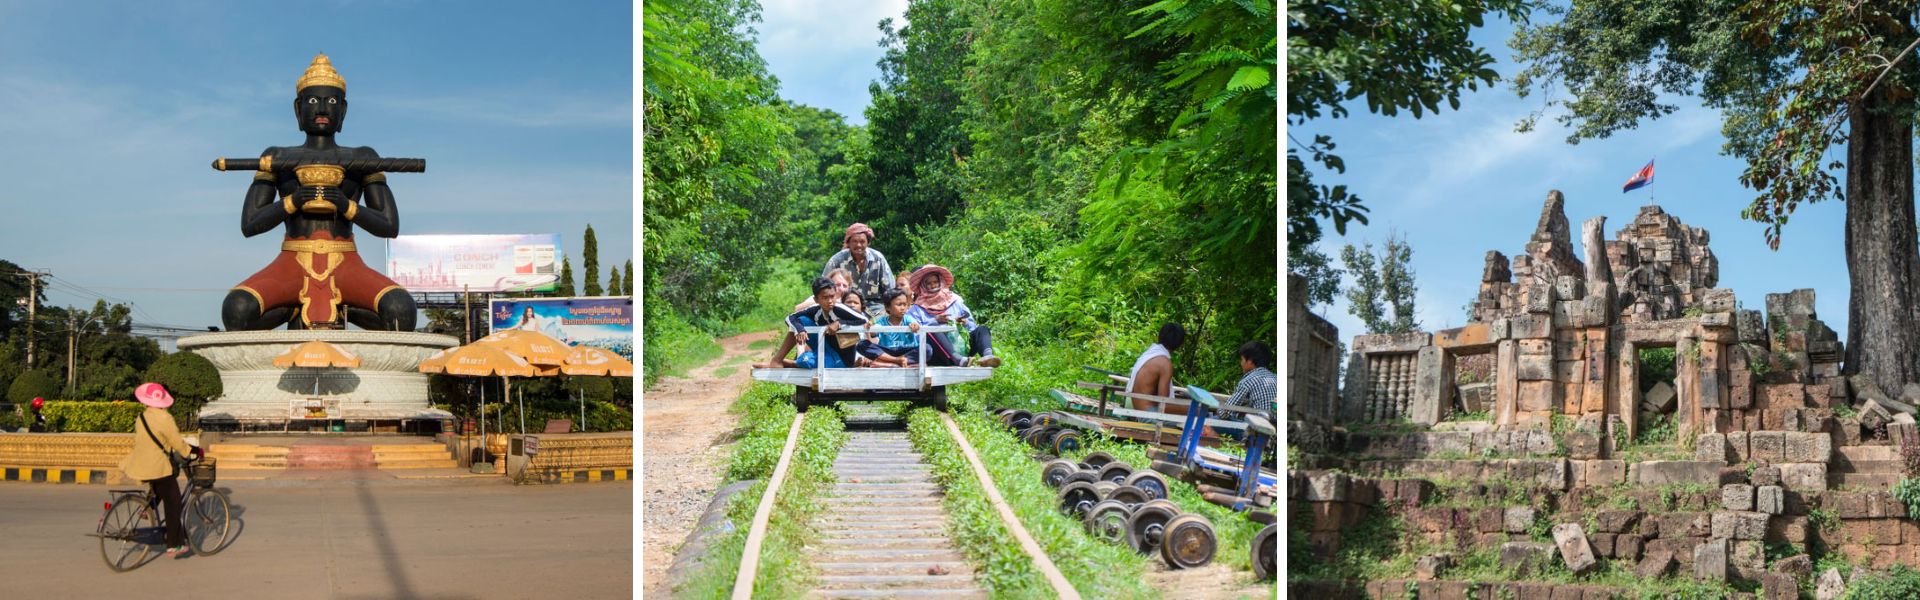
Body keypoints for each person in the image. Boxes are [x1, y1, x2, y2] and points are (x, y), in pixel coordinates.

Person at [221, 54, 417, 331]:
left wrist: (346, 205)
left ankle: (344, 309)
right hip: (291, 261)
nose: (323, 108)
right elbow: (250, 224)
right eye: (313, 102)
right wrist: (293, 201)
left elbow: (389, 226)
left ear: (344, 111)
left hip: (346, 261)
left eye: (332, 102)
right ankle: (291, 310)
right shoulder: (277, 157)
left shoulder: (362, 157)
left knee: (400, 309)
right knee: (237, 308)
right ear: (297, 110)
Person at [118, 383, 201, 559]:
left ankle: (147, 507)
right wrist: (192, 451)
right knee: (174, 503)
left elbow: (155, 439)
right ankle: (174, 544)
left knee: (160, 488)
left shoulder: (141, 417)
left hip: (140, 463)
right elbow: (177, 442)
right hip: (158, 465)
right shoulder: (165, 418)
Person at [759, 277, 869, 369]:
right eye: (825, 298)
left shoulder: (839, 308)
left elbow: (863, 320)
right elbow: (790, 317)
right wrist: (800, 329)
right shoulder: (816, 310)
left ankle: (793, 363)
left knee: (804, 361)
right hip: (824, 347)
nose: (830, 301)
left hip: (841, 358)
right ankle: (777, 360)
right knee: (802, 320)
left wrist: (839, 323)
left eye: (832, 296)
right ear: (816, 300)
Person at [907, 265, 1000, 367]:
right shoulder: (916, 309)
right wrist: (935, 321)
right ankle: (956, 358)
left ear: (940, 282)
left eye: (935, 282)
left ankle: (988, 357)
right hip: (940, 354)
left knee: (982, 329)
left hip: (963, 347)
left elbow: (972, 326)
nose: (933, 285)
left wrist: (965, 322)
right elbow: (915, 335)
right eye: (929, 283)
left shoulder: (955, 301)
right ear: (923, 286)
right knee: (933, 329)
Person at [822, 223, 893, 319]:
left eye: (862, 241)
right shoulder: (837, 260)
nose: (859, 245)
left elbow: (890, 290)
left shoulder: (878, 258)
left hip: (875, 309)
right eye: (855, 241)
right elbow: (823, 287)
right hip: (845, 306)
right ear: (848, 243)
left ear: (868, 243)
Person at [1217, 341, 1277, 441]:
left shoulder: (1248, 381)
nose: (1241, 363)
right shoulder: (1275, 378)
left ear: (1250, 361)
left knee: (1211, 421)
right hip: (1275, 432)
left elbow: (1224, 413)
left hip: (1256, 432)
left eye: (1242, 359)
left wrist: (1217, 409)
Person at [857, 289, 923, 368]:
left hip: (906, 350)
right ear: (888, 307)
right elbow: (874, 331)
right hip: (888, 351)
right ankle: (897, 361)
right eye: (899, 304)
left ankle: (888, 363)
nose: (903, 308)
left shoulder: (908, 318)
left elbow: (915, 324)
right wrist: (870, 328)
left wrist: (915, 326)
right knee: (861, 345)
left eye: (905, 304)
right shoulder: (881, 321)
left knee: (927, 349)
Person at [1128, 323, 1186, 413]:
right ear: (1180, 344)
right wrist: (1190, 409)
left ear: (1160, 336)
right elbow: (1163, 405)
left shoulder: (1150, 354)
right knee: (1195, 413)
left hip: (1139, 410)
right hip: (1149, 414)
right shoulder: (1165, 364)